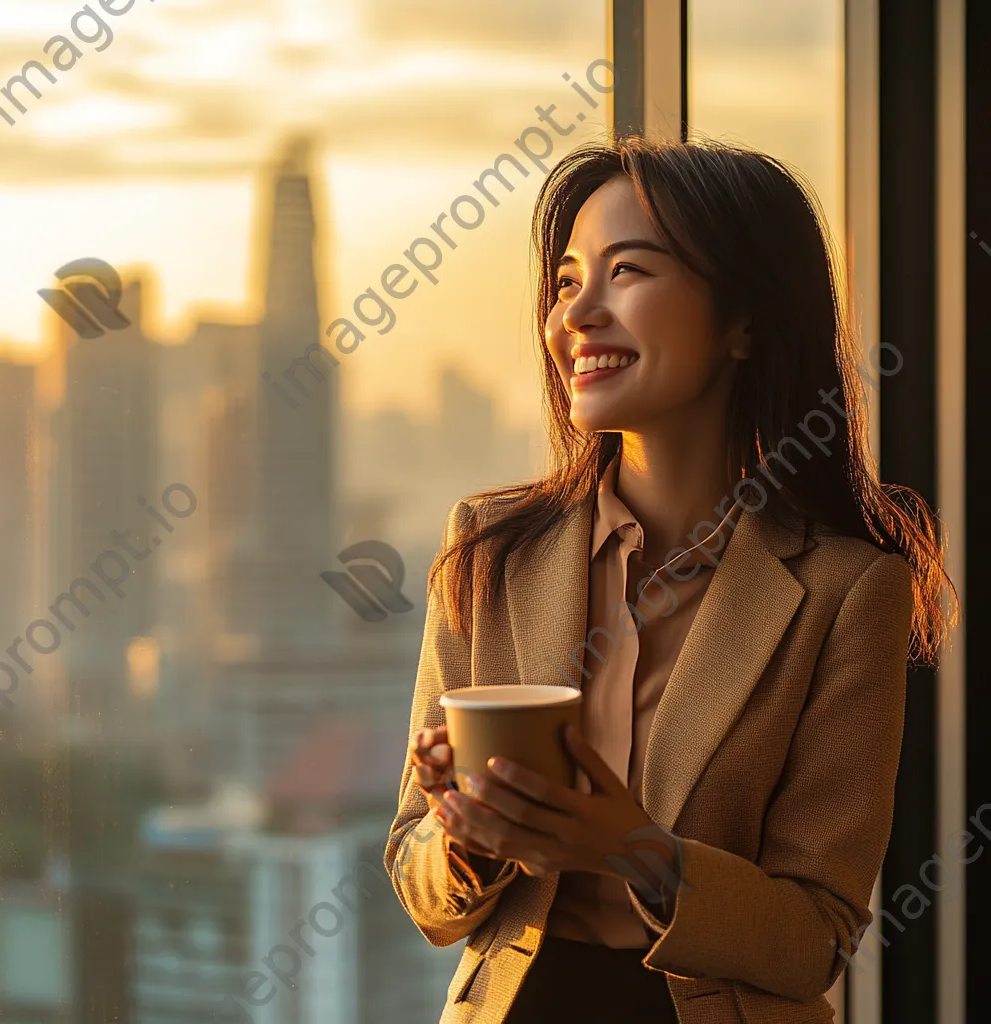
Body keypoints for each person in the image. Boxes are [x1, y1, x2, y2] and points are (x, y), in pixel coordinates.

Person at [381, 133, 956, 1024]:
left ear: (746, 323)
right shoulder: (490, 549)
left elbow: (814, 940)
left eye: (629, 273)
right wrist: (465, 840)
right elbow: (417, 885)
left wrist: (634, 849)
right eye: (567, 282)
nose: (577, 315)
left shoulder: (846, 592)